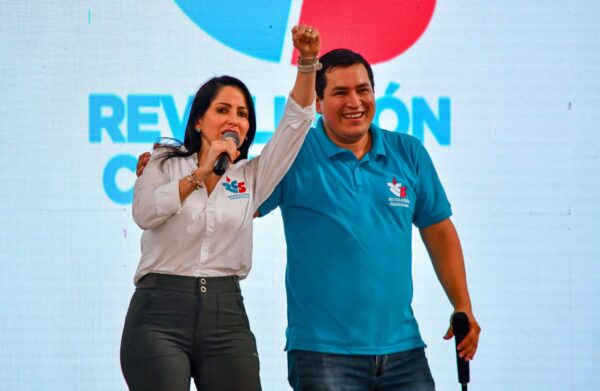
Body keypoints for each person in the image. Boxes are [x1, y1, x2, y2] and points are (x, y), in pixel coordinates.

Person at [137, 49, 481, 391]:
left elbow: (438, 230)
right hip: (321, 353)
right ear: (317, 103)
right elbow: (234, 204)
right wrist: (171, 176)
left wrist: (462, 304)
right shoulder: (295, 157)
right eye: (340, 92)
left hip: (404, 349)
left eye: (363, 90)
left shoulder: (408, 152)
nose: (355, 101)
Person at [121, 25, 320, 391]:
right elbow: (145, 214)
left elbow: (296, 123)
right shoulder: (163, 163)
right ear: (199, 120)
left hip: (226, 314)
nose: (234, 120)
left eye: (242, 114)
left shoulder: (254, 175)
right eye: (223, 109)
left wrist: (307, 62)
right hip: (158, 314)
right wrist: (199, 174)